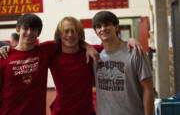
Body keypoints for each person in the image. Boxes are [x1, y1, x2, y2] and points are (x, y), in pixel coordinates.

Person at [0, 15, 143, 115]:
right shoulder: (51, 52)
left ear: (79, 34)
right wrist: (5, 48)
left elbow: (115, 48)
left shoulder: (93, 51)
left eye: (73, 31)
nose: (70, 35)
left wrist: (129, 41)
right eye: (66, 31)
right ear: (60, 35)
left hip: (87, 112)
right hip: (60, 112)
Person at [92, 11, 154, 115]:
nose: (103, 29)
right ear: (96, 31)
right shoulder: (96, 57)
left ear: (116, 27)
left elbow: (148, 89)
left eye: (107, 24)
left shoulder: (135, 52)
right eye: (99, 27)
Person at [0, 13, 57, 115]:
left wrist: (87, 46)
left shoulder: (45, 50)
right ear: (18, 29)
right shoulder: (4, 56)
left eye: (33, 29)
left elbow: (69, 42)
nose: (29, 32)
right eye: (25, 28)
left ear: (38, 33)